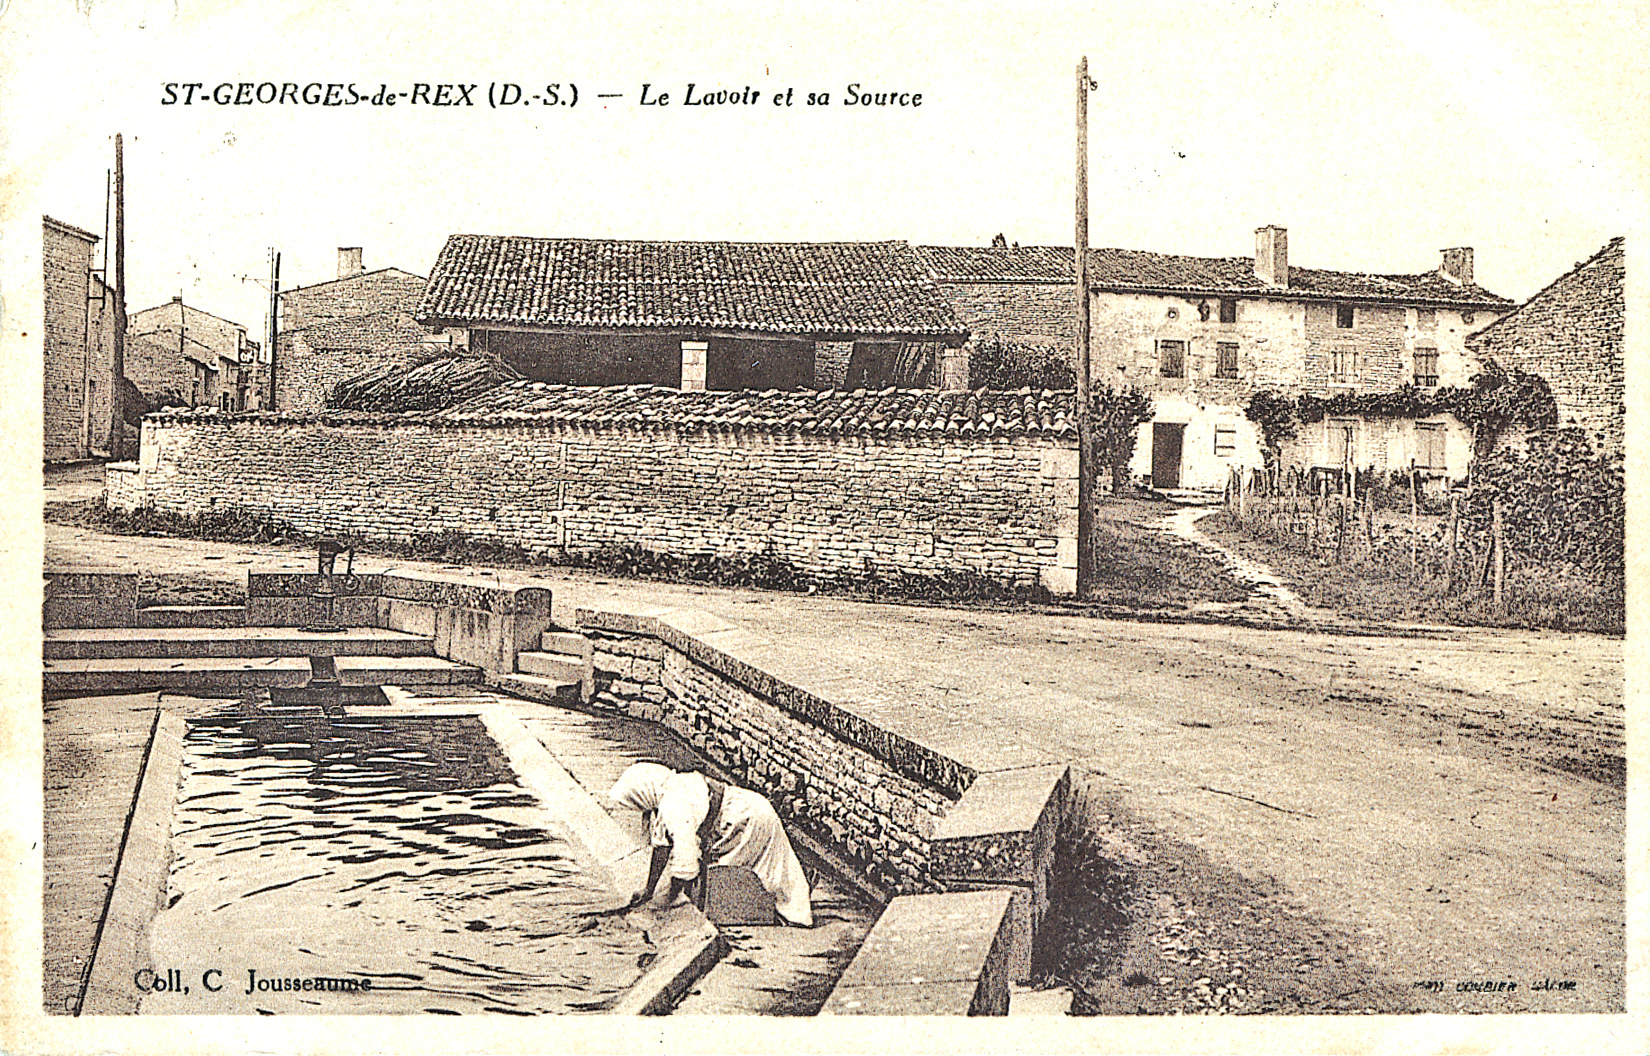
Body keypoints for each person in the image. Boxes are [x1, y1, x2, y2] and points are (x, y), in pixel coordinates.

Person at [608, 761, 813, 927]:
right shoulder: (666, 792)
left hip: (749, 818)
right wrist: (649, 890)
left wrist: (667, 901)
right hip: (735, 820)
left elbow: (685, 863)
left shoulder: (675, 804)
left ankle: (791, 907)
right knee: (759, 872)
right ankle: (795, 883)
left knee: (755, 874)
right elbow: (661, 848)